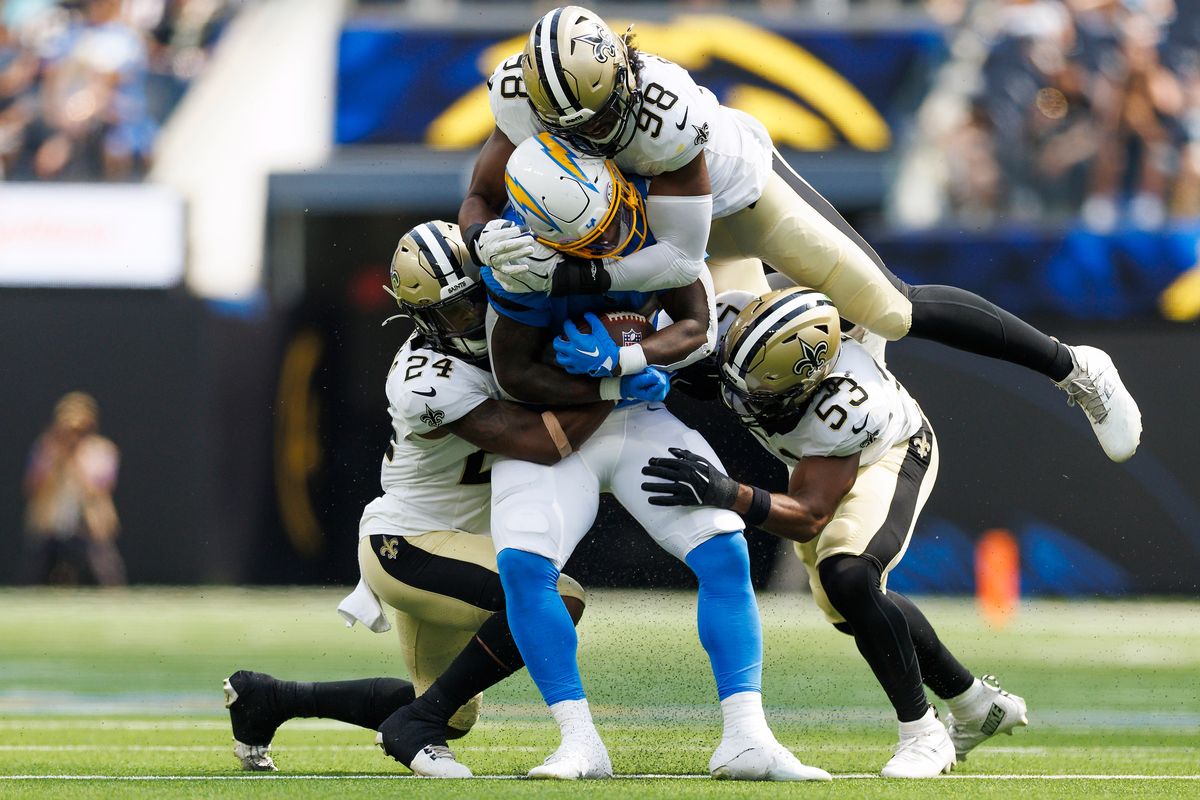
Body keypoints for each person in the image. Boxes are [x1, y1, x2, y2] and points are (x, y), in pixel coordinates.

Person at [459, 4, 1142, 464]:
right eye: (577, 126)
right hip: (636, 233)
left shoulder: (663, 116)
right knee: (718, 367)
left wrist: (564, 276)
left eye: (607, 111)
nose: (599, 134)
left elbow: (677, 258)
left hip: (734, 204)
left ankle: (1075, 367)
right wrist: (485, 237)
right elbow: (481, 197)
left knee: (892, 309)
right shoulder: (519, 100)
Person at [472, 133, 830, 781]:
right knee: (525, 567)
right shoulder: (518, 255)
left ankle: (747, 737)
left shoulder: (647, 214)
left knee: (724, 547)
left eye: (611, 223)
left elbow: (693, 322)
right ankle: (578, 740)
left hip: (637, 413)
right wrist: (607, 380)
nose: (610, 243)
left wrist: (633, 359)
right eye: (590, 238)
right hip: (551, 423)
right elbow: (516, 374)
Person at [223, 220, 614, 777]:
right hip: (407, 547)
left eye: (479, 300)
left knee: (454, 715)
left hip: (452, 544)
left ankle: (269, 698)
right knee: (558, 599)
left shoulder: (514, 323)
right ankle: (414, 727)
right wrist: (617, 378)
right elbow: (538, 444)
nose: (476, 319)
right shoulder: (424, 379)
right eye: (456, 312)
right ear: (424, 317)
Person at [640, 286, 1029, 778]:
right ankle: (975, 704)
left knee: (849, 577)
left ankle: (923, 734)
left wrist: (728, 492)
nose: (742, 396)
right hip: (812, 462)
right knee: (851, 612)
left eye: (758, 388)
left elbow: (808, 513)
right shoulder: (729, 316)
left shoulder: (846, 406)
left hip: (887, 453)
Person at [23, 391, 125, 586]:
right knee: (35, 576)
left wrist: (76, 459)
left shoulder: (101, 450)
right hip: (51, 527)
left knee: (105, 572)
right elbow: (33, 487)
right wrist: (56, 459)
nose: (73, 436)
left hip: (90, 527)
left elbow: (98, 490)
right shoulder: (46, 449)